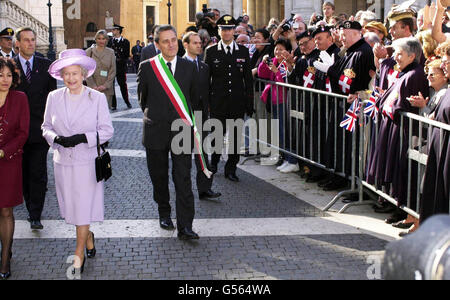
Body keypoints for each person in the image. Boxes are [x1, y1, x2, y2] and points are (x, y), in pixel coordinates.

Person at [42, 49, 114, 274]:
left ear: (83, 74)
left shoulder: (97, 98)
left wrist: (83, 138)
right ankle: (88, 236)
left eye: (75, 73)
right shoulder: (54, 97)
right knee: (73, 210)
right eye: (67, 74)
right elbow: (46, 127)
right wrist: (56, 139)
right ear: (61, 76)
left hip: (87, 163)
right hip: (63, 163)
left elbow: (107, 131)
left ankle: (79, 253)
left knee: (82, 209)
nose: (71, 78)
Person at [138, 25, 200, 240]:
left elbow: (193, 99)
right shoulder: (147, 67)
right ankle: (164, 212)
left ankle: (185, 226)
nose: (171, 44)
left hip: (182, 131)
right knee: (159, 177)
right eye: (165, 41)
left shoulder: (189, 67)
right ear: (157, 44)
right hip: (155, 130)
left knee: (183, 178)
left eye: (174, 40)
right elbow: (142, 100)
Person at [366, 38, 429, 228]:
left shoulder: (415, 74)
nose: (395, 57)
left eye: (400, 54)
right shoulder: (405, 72)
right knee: (393, 167)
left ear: (412, 55)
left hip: (404, 131)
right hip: (393, 126)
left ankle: (405, 210)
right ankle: (397, 206)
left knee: (402, 170)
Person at [314, 21, 376, 191]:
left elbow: (355, 82)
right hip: (343, 105)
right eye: (340, 34)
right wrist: (332, 68)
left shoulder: (363, 52)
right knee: (340, 144)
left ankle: (353, 184)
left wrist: (330, 70)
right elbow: (341, 74)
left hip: (355, 108)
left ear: (357, 33)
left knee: (353, 148)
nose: (341, 38)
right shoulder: (350, 51)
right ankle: (340, 176)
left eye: (344, 34)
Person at [13, 27, 57, 230]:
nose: (31, 43)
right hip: (16, 133)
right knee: (23, 172)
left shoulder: (45, 66)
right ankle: (29, 202)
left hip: (39, 131)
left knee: (38, 173)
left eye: (33, 40)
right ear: (18, 44)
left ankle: (35, 213)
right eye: (26, 40)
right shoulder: (8, 67)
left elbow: (52, 99)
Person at [204, 15, 254, 182]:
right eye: (223, 29)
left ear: (234, 31)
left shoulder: (243, 51)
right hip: (218, 102)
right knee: (217, 136)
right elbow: (206, 80)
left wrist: (249, 102)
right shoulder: (210, 52)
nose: (226, 32)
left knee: (234, 137)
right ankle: (214, 162)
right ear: (219, 31)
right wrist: (207, 103)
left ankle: (231, 168)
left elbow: (248, 79)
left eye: (230, 29)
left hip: (236, 102)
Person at [0, 57, 30, 280]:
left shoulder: (20, 98)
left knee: (6, 211)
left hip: (9, 162)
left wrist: (4, 151)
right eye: (0, 75)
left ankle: (5, 258)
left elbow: (23, 133)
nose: (5, 79)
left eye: (9, 75)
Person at [182, 31, 221, 201]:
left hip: (202, 117)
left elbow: (207, 92)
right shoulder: (178, 65)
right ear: (186, 45)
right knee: (182, 156)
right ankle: (183, 191)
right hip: (183, 117)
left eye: (200, 43)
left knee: (204, 154)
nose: (199, 45)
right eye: (195, 43)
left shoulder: (205, 67)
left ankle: (205, 188)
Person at [85, 30, 116, 109]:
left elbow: (113, 70)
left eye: (103, 38)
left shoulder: (111, 52)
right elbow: (86, 70)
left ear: (106, 40)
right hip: (92, 88)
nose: (101, 41)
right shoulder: (89, 52)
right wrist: (93, 85)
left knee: (105, 114)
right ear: (95, 39)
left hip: (106, 89)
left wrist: (106, 85)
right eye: (99, 38)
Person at [108, 23, 132, 109]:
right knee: (111, 86)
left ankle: (127, 101)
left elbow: (126, 55)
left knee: (123, 85)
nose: (112, 31)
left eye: (114, 30)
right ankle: (113, 104)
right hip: (111, 67)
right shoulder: (110, 41)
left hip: (120, 67)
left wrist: (119, 59)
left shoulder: (125, 42)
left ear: (118, 31)